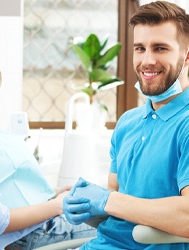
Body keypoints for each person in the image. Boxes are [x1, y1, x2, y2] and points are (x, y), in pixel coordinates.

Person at [0, 30, 96, 250]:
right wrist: (57, 206)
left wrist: (54, 194)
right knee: (123, 229)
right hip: (26, 238)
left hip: (30, 231)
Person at [63, 1, 189, 249]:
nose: (147, 60)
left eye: (160, 48)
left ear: (186, 57)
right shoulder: (127, 122)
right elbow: (116, 208)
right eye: (140, 48)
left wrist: (107, 199)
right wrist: (88, 208)